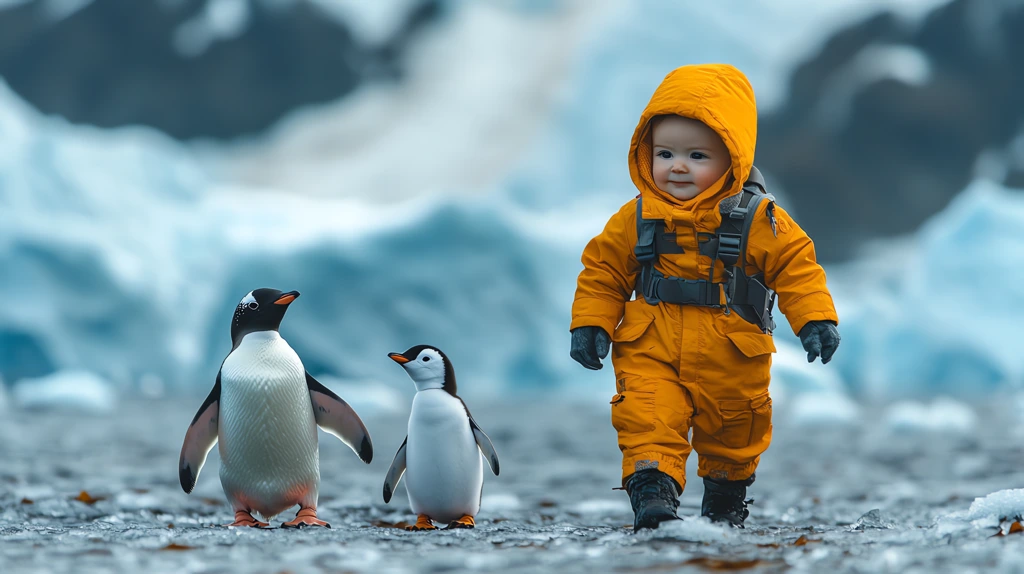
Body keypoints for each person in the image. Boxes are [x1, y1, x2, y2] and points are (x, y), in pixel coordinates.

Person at [569, 64, 840, 530]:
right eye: (665, 153)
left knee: (734, 435)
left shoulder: (758, 218)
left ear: (732, 159)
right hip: (652, 344)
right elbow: (604, 271)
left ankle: (725, 500)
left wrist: (815, 318)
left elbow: (796, 266)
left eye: (696, 155)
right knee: (647, 417)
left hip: (732, 351)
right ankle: (652, 496)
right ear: (645, 154)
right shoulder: (636, 219)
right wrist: (590, 323)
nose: (677, 166)